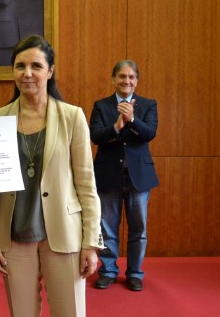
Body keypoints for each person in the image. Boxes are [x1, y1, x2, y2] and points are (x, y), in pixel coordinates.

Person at [0, 35, 104, 317]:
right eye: (20, 66)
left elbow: (87, 185)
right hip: (13, 237)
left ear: (50, 71)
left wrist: (91, 243)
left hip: (64, 235)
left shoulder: (72, 117)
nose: (27, 73)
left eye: (36, 66)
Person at [89, 60, 159, 292]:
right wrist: (117, 127)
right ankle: (108, 271)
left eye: (131, 77)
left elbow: (149, 133)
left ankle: (135, 273)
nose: (126, 81)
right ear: (113, 79)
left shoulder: (148, 105)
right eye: (121, 77)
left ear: (136, 81)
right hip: (109, 174)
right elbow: (96, 136)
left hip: (138, 177)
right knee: (107, 227)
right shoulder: (101, 105)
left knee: (139, 229)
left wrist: (132, 120)